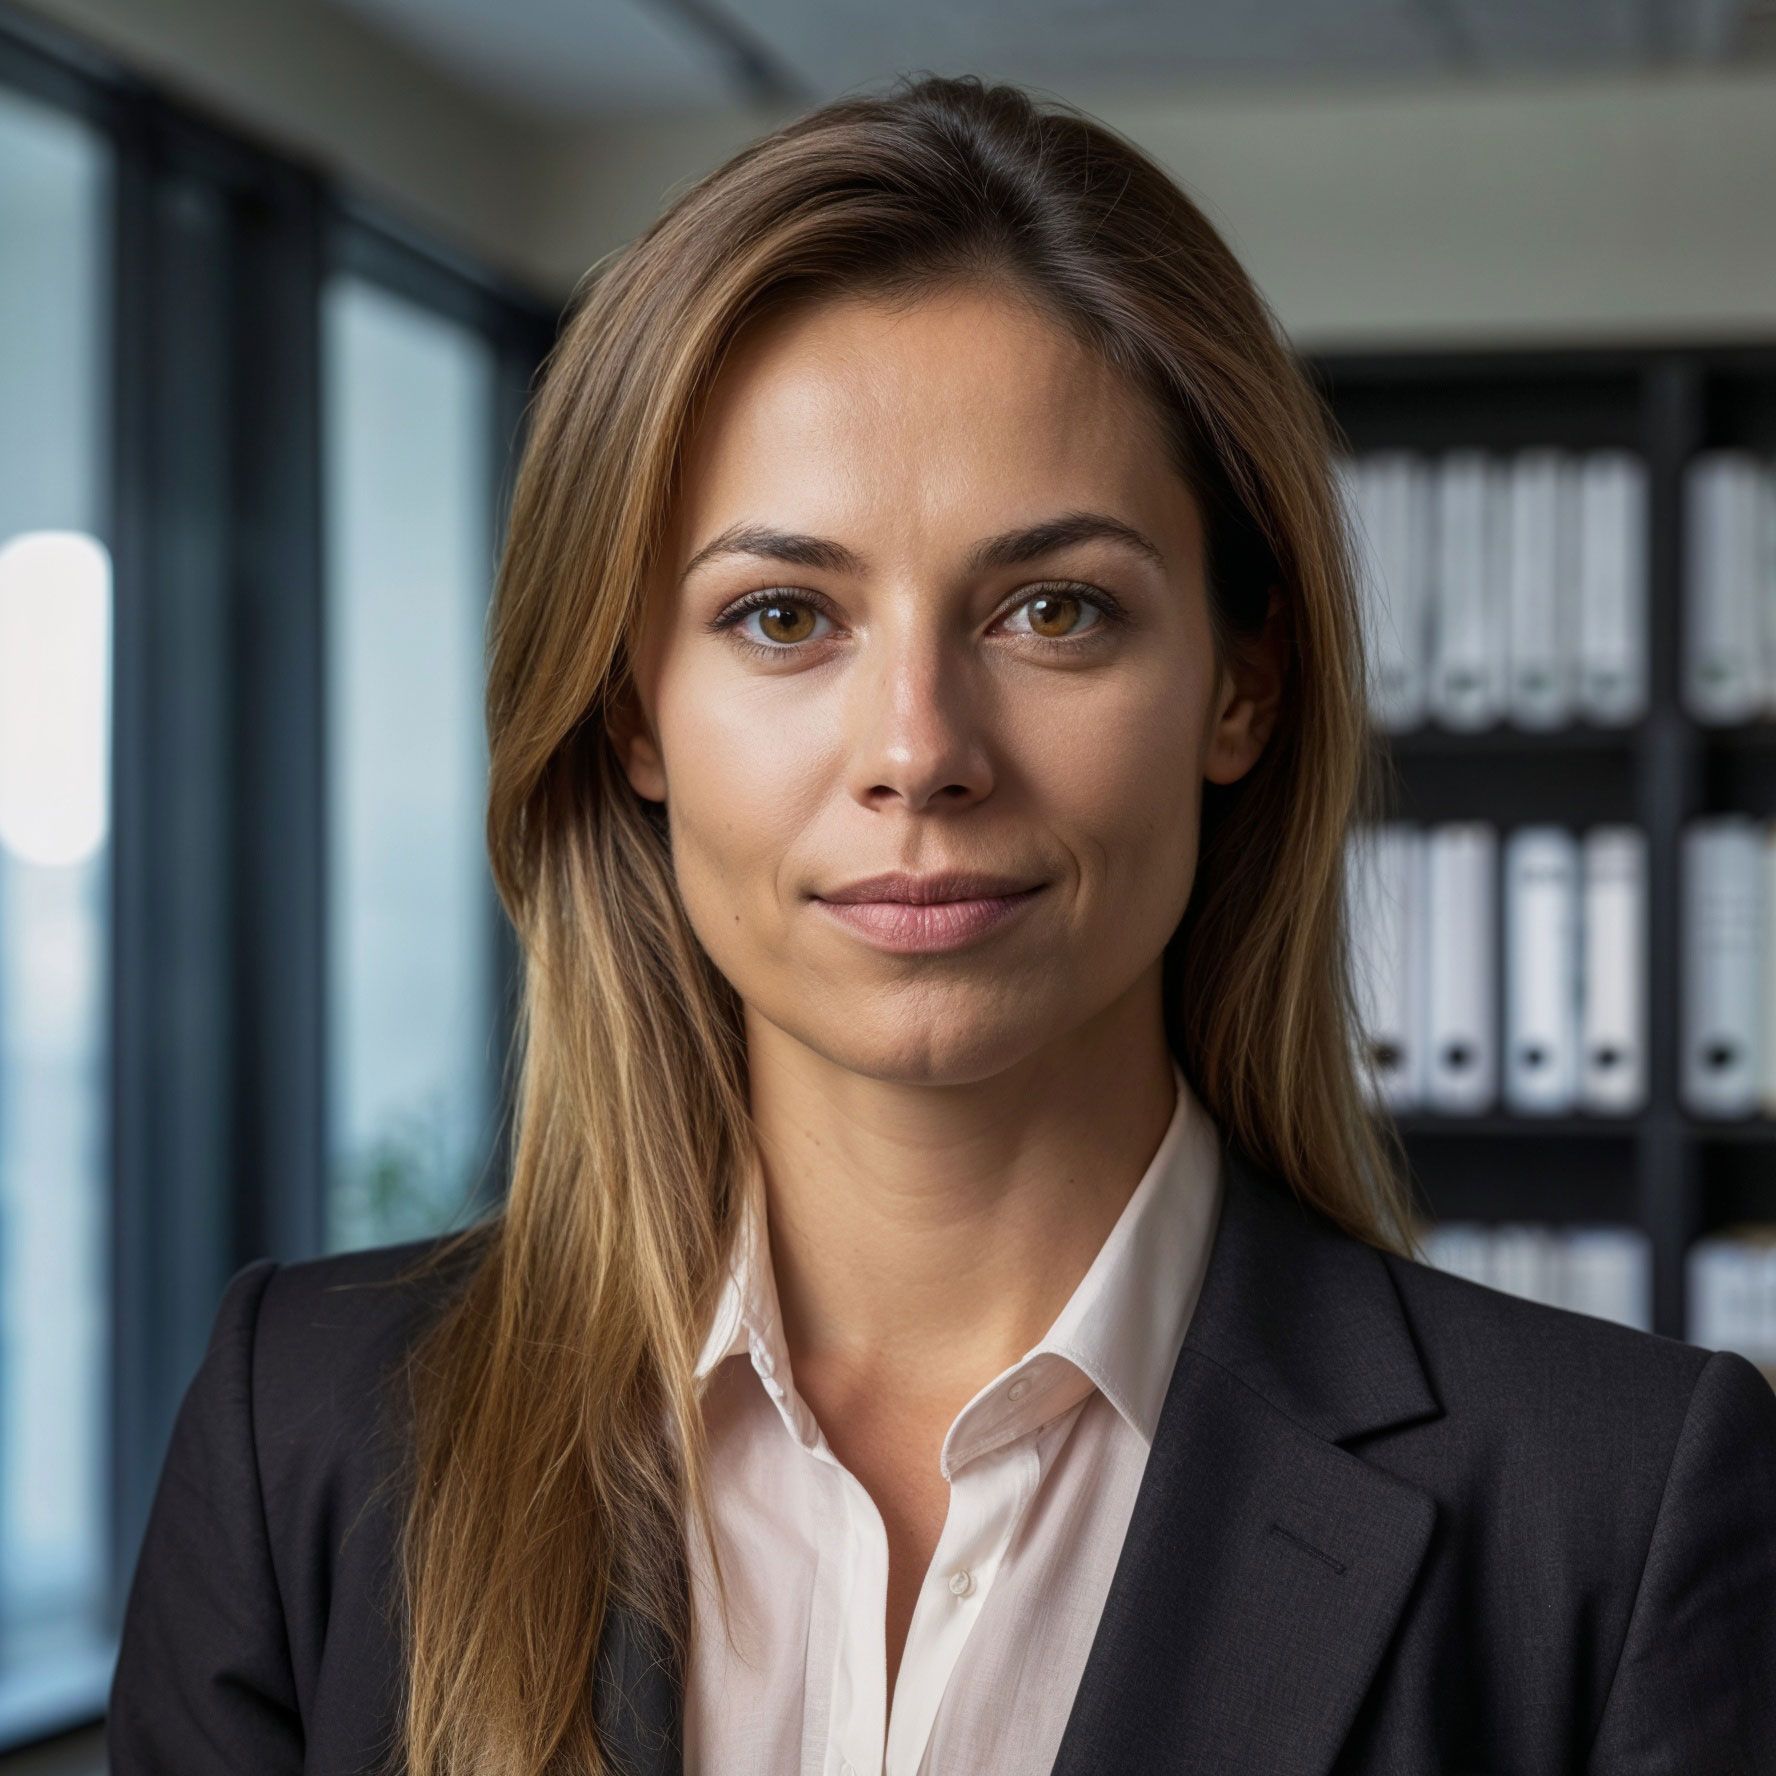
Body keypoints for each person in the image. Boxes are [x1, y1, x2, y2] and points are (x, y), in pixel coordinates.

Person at [108, 72, 1776, 1776]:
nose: (918, 751)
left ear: (1243, 686)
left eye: (1055, 609)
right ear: (629, 712)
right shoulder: (301, 1432)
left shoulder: (1611, 1514)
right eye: (782, 616)